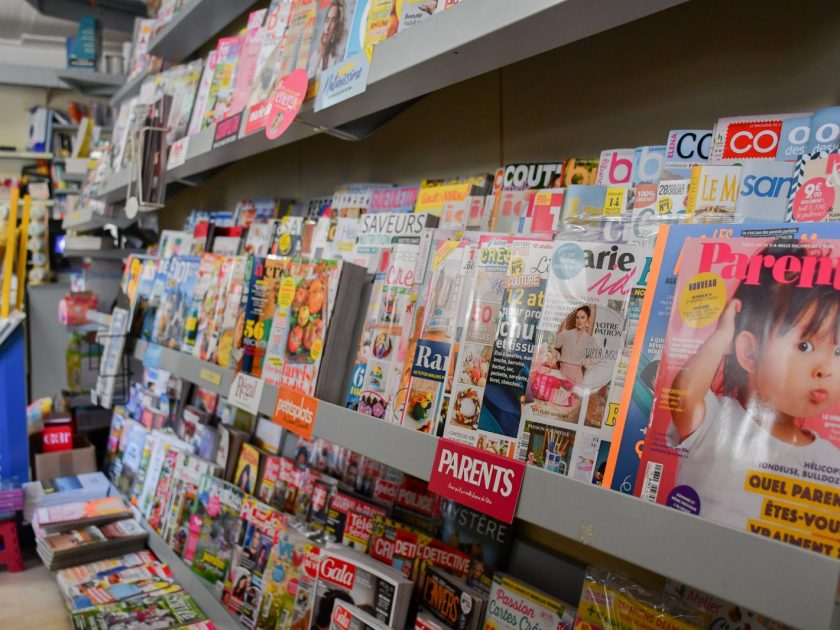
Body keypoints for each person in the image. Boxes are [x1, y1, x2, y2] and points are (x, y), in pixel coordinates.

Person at [668, 242, 840, 527]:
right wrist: (722, 337)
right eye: (805, 345)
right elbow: (682, 397)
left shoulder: (831, 462)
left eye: (838, 352)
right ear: (749, 352)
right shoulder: (715, 420)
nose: (826, 370)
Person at [553, 306, 601, 386]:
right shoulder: (566, 334)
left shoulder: (590, 340)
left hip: (577, 378)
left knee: (574, 398)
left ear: (587, 320)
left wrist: (585, 362)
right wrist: (557, 355)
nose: (579, 320)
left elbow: (598, 355)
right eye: (577, 317)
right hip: (562, 374)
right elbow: (553, 344)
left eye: (582, 317)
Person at [308, 0, 346, 75]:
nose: (327, 27)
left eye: (333, 20)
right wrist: (321, 55)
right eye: (327, 20)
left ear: (339, 24)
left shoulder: (343, 45)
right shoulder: (316, 54)